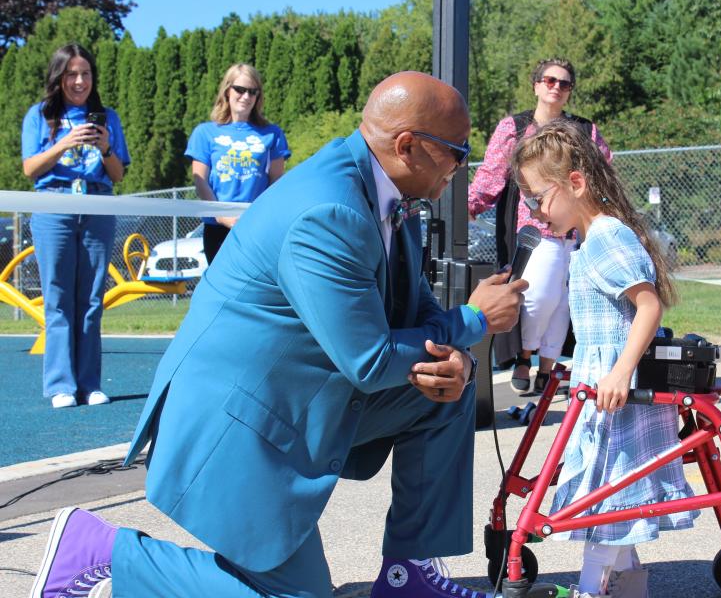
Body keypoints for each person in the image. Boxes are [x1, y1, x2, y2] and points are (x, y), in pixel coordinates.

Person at [30, 71, 527, 598]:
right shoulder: (329, 210)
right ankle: (102, 554)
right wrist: (473, 321)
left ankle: (407, 579)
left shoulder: (384, 188)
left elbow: (414, 308)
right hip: (239, 426)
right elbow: (370, 357)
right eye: (458, 151)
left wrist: (460, 358)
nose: (462, 165)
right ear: (407, 146)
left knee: (446, 391)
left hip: (289, 403)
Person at [512, 121, 698, 598]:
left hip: (619, 390)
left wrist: (618, 371)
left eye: (539, 198)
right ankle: (629, 585)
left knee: (605, 498)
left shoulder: (606, 237)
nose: (535, 212)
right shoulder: (589, 238)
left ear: (576, 183)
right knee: (612, 495)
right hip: (602, 386)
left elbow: (649, 306)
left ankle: (590, 590)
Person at [468, 58, 612, 395]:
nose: (556, 88)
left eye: (564, 83)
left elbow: (605, 170)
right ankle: (524, 356)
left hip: (576, 231)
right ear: (536, 85)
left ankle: (547, 370)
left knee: (566, 301)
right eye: (549, 80)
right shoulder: (515, 128)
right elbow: (490, 176)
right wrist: (470, 206)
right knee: (539, 295)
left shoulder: (583, 130)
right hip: (536, 229)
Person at [20, 43, 130, 409]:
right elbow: (30, 169)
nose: (80, 81)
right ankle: (60, 385)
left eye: (85, 73)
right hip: (54, 207)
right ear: (59, 77)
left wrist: (105, 148)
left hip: (97, 205)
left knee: (92, 299)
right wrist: (64, 142)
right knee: (58, 297)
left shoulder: (107, 116)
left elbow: (118, 174)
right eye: (72, 74)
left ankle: (89, 383)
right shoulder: (40, 115)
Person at [187, 63, 290, 264]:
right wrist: (221, 216)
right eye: (240, 90)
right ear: (227, 91)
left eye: (252, 92)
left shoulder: (272, 133)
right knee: (221, 288)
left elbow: (277, 182)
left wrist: (261, 216)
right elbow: (200, 181)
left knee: (256, 290)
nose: (246, 97)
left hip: (256, 226)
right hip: (217, 227)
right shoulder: (205, 133)